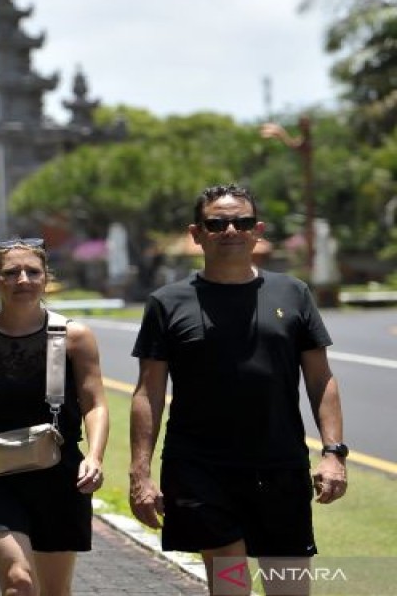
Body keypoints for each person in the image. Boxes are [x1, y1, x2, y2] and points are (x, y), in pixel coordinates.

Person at [129, 184, 348, 596]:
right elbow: (148, 393)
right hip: (200, 469)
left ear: (257, 230)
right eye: (217, 223)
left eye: (241, 222)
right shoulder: (167, 303)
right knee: (231, 587)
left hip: (280, 466)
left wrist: (333, 453)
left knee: (289, 588)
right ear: (198, 233)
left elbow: (321, 380)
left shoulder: (293, 293)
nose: (230, 230)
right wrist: (140, 474)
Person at [0, 238, 109, 596]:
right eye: (11, 273)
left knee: (55, 591)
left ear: (46, 279)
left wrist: (94, 456)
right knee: (19, 580)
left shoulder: (73, 337)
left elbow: (96, 403)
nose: (23, 280)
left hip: (59, 474)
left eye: (32, 272)